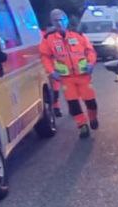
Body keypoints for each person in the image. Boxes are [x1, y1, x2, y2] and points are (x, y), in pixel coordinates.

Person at [40, 8, 98, 138]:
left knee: (91, 102)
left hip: (83, 76)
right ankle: (82, 126)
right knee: (73, 104)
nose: (59, 23)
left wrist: (91, 63)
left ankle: (93, 118)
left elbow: (90, 51)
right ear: (52, 22)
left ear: (66, 20)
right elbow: (45, 57)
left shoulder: (78, 35)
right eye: (56, 20)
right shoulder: (48, 38)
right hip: (66, 78)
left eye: (61, 20)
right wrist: (51, 71)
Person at [42, 23, 64, 117]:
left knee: (57, 89)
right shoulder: (46, 36)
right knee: (55, 90)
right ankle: (56, 108)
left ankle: (57, 108)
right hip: (50, 67)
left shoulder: (46, 35)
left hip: (56, 67)